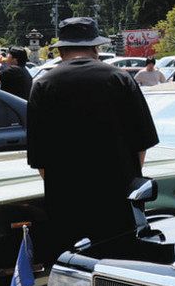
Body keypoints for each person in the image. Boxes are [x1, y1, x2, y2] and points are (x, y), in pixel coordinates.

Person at [27, 17, 159, 265]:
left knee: (72, 272)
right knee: (117, 272)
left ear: (61, 50)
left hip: (65, 203)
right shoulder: (120, 78)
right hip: (118, 202)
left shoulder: (43, 84)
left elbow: (40, 160)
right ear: (96, 48)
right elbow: (141, 145)